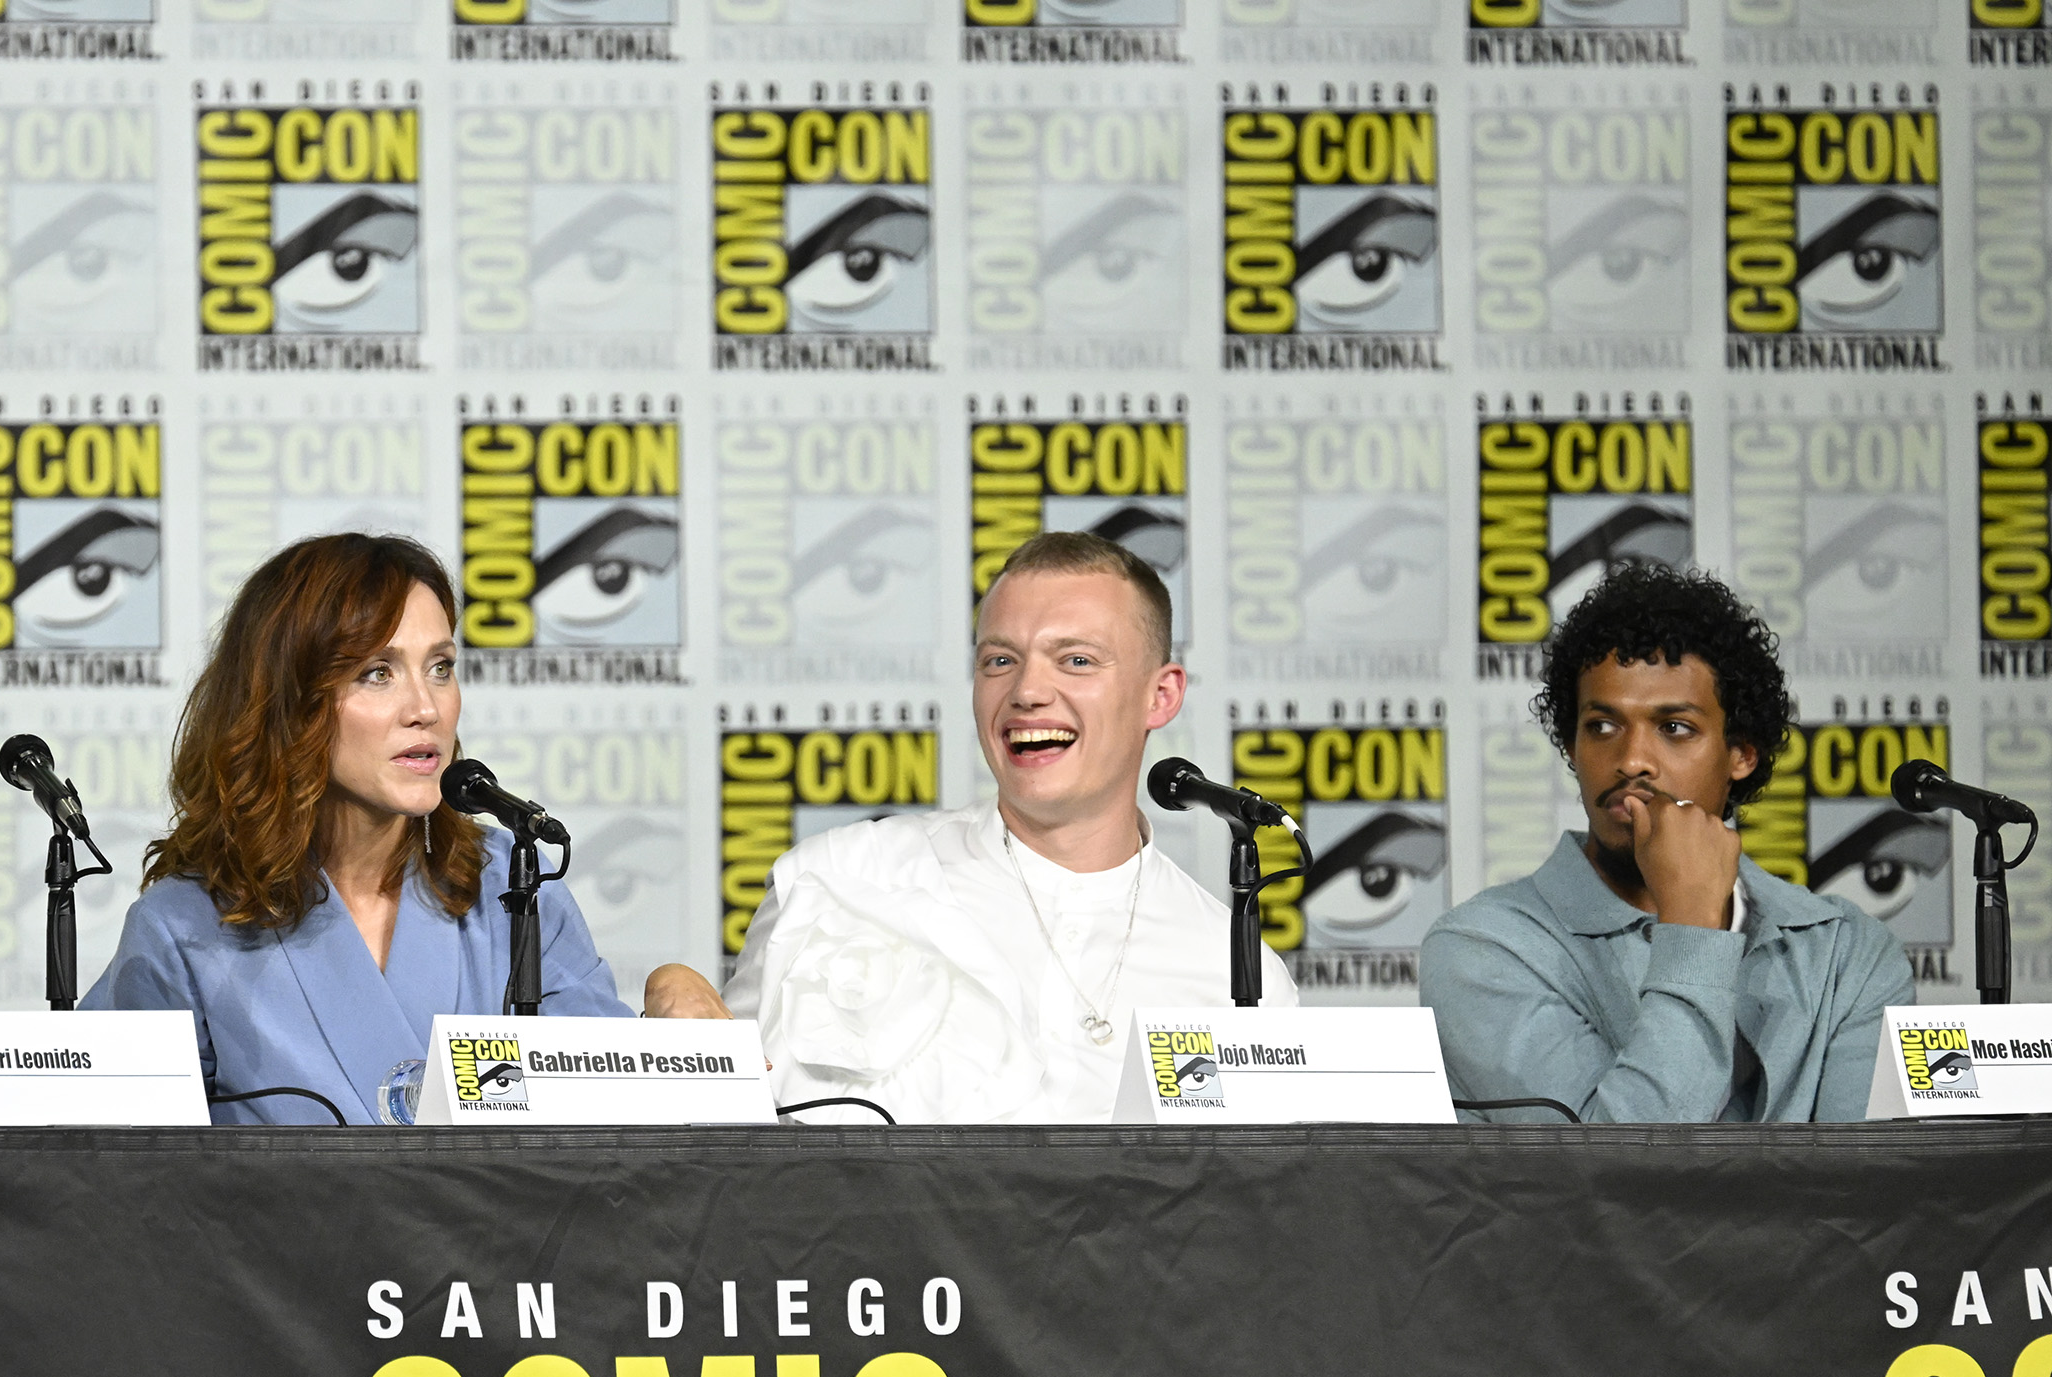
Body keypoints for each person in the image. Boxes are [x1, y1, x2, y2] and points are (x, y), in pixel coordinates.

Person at [646, 530, 1295, 1122]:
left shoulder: (1240, 977)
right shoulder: (836, 880)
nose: (1028, 692)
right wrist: (670, 999)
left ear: (1162, 695)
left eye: (1076, 661)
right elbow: (721, 1143)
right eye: (1000, 661)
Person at [85, 533, 629, 1123]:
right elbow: (114, 1164)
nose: (425, 708)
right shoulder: (181, 929)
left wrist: (673, 1017)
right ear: (289, 701)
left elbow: (615, 1121)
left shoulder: (515, 888)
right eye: (377, 673)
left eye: (441, 668)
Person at [1418, 560, 1911, 1122]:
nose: (1631, 760)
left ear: (1741, 754)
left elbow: (1868, 1172)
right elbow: (1617, 1163)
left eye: (1674, 727)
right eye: (1602, 726)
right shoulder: (1482, 950)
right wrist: (1693, 927)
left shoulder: (1846, 952)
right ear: (1572, 747)